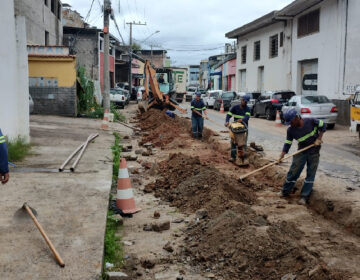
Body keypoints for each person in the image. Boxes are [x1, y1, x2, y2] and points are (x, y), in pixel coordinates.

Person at [279, 109, 325, 205]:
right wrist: (282, 155)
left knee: (310, 174)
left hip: (314, 151)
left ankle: (304, 196)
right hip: (301, 151)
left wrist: (319, 138)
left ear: (296, 118)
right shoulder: (290, 130)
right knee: (293, 171)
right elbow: (288, 142)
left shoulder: (311, 121)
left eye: (291, 122)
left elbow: (323, 125)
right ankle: (285, 191)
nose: (290, 124)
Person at [225, 95, 251, 163]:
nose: (245, 103)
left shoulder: (247, 109)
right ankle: (233, 157)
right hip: (235, 129)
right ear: (241, 100)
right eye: (244, 101)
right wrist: (227, 121)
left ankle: (244, 158)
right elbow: (228, 115)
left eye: (246, 102)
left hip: (243, 129)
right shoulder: (235, 108)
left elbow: (247, 117)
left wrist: (242, 119)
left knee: (243, 144)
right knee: (233, 142)